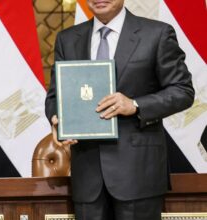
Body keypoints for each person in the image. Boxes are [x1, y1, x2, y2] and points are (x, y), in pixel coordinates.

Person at [45, 0, 194, 219]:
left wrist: (134, 105)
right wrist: (57, 119)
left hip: (138, 174)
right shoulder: (68, 39)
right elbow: (55, 96)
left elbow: (183, 91)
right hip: (87, 174)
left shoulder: (157, 33)